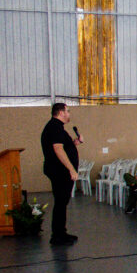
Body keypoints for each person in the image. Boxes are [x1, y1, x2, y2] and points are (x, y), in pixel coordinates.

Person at [40, 102, 83, 246]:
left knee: (62, 202)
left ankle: (61, 233)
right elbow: (58, 149)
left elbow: (64, 146)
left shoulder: (56, 127)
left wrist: (74, 143)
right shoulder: (55, 127)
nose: (69, 113)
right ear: (61, 113)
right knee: (60, 202)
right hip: (59, 171)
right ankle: (57, 236)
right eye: (68, 111)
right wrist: (71, 169)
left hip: (59, 171)